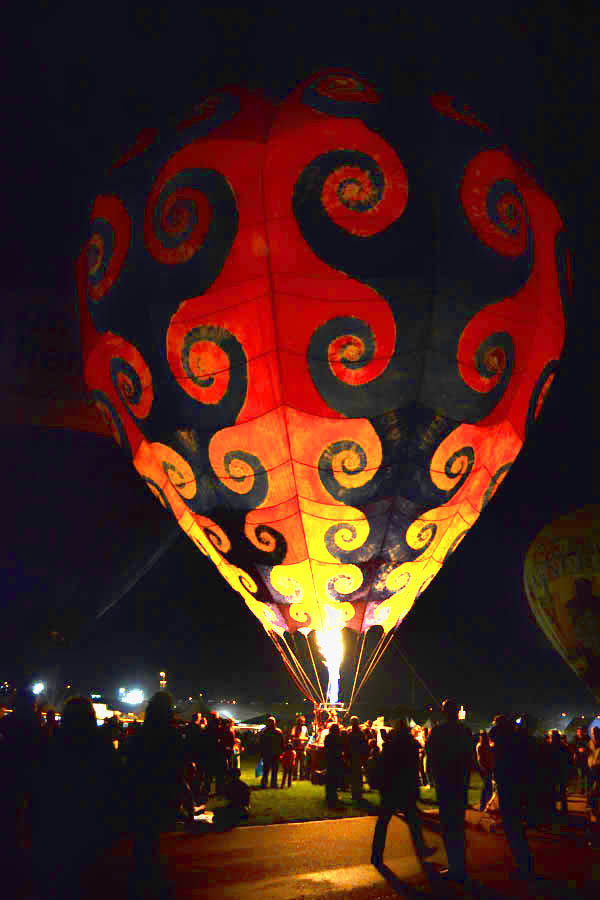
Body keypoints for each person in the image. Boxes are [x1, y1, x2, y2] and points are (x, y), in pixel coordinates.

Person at [32, 697, 122, 900]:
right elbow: (115, 783)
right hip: (95, 822)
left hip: (59, 824)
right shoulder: (102, 745)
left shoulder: (54, 744)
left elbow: (41, 784)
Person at [126, 691, 187, 894]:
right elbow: (178, 768)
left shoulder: (140, 736)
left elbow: (130, 765)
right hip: (162, 792)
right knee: (156, 840)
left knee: (144, 840)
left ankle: (142, 880)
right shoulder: (172, 736)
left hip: (141, 793)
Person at [371, 720, 436, 867]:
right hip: (405, 788)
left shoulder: (389, 746)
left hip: (390, 788)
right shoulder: (409, 745)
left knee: (383, 822)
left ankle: (376, 855)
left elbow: (382, 766)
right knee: (413, 821)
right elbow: (412, 769)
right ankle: (421, 849)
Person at [425, 699, 473, 882]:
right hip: (460, 782)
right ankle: (460, 865)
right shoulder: (465, 731)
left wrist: (432, 775)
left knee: (448, 825)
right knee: (458, 825)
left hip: (445, 782)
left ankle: (454, 866)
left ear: (444, 712)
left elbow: (430, 754)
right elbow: (469, 756)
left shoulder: (439, 731)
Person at [488, 714, 533, 879]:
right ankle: (524, 864)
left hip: (509, 788)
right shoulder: (515, 741)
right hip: (515, 788)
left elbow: (492, 764)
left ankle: (524, 867)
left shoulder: (504, 744)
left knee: (514, 828)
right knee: (515, 828)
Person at [346, 716, 368, 805]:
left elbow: (348, 746)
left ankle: (356, 794)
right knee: (357, 776)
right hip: (357, 757)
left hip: (355, 757)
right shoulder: (360, 733)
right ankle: (357, 794)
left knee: (355, 776)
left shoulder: (352, 734)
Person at [324, 722, 345, 807]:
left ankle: (329, 794)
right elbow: (342, 747)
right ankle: (334, 794)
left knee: (329, 777)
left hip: (330, 759)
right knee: (335, 777)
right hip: (337, 759)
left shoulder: (328, 737)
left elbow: (326, 747)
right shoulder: (339, 737)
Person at [549, 730, 570, 815]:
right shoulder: (563, 746)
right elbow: (568, 759)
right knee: (562, 791)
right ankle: (564, 808)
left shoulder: (550, 746)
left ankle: (553, 808)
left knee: (553, 790)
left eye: (551, 736)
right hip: (561, 771)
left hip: (553, 771)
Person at [259, 716, 284, 788]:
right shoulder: (275, 731)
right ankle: (271, 783)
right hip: (270, 752)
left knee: (270, 769)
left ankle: (266, 783)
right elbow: (281, 743)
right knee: (270, 769)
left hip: (272, 752)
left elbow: (281, 742)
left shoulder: (265, 731)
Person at [476, 730, 494, 812]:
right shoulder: (480, 746)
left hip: (489, 768)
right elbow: (480, 758)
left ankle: (485, 805)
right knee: (488, 787)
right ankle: (484, 806)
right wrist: (483, 768)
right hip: (485, 769)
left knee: (488, 787)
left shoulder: (487, 745)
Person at [572, 726, 590, 796]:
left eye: (581, 731)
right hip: (579, 759)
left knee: (587, 775)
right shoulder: (575, 738)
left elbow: (589, 746)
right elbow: (573, 747)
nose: (579, 733)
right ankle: (582, 789)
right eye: (578, 731)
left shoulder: (587, 738)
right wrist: (577, 751)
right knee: (581, 775)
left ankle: (587, 789)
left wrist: (585, 749)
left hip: (586, 758)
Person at [291, 715, 309, 779]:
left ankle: (301, 776)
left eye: (303, 721)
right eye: (301, 721)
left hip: (302, 747)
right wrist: (299, 739)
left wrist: (305, 740)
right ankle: (295, 776)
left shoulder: (305, 728)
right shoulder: (294, 728)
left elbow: (307, 737)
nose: (302, 723)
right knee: (295, 763)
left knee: (302, 763)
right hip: (296, 748)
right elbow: (292, 737)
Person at [588, 726, 600, 818]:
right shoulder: (590, 743)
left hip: (598, 767)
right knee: (593, 789)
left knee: (595, 789)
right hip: (592, 768)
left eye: (595, 733)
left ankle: (594, 810)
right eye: (592, 733)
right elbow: (589, 754)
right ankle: (593, 809)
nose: (593, 734)